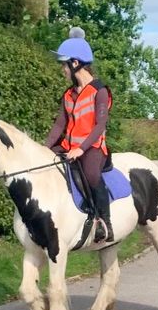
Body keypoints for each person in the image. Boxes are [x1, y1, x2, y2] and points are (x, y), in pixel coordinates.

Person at [44, 27, 115, 243]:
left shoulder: (99, 91)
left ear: (75, 63)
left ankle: (104, 221)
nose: (62, 70)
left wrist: (81, 149)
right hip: (69, 146)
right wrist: (43, 148)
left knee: (92, 175)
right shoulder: (68, 94)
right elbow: (59, 126)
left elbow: (100, 125)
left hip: (92, 148)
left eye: (63, 65)